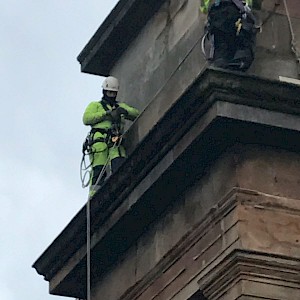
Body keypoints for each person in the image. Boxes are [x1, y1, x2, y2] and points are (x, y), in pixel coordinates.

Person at [82, 76, 139, 197]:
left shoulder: (120, 106)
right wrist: (106, 114)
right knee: (98, 169)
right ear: (104, 91)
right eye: (109, 92)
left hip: (115, 141)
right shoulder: (95, 105)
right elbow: (86, 118)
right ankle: (94, 197)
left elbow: (136, 113)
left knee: (119, 165)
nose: (111, 95)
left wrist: (123, 111)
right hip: (100, 142)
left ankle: (122, 190)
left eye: (113, 93)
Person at [200, 0, 258, 71]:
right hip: (233, 8)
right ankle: (239, 60)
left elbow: (204, 8)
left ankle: (221, 63)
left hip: (215, 11)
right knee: (241, 40)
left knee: (221, 43)